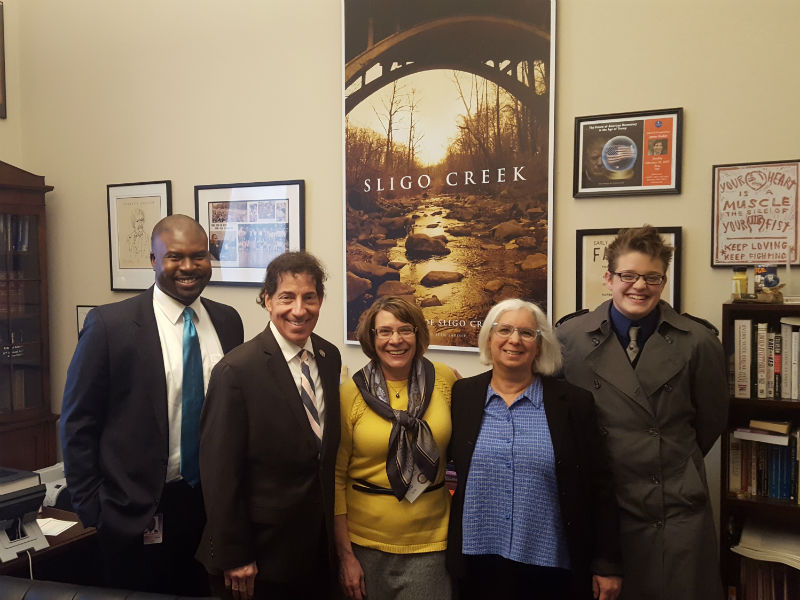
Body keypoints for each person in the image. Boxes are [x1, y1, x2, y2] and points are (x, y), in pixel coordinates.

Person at [61, 214, 244, 595]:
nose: (189, 267)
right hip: (135, 512)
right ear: (153, 260)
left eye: (200, 256)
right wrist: (94, 509)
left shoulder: (228, 322)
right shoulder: (110, 326)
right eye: (175, 257)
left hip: (209, 509)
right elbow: (77, 422)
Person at [556, 225, 728, 600]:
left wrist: (666, 457)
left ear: (663, 281)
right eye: (628, 275)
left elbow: (710, 422)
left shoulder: (698, 342)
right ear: (609, 278)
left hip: (673, 510)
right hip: (602, 508)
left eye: (652, 277)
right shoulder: (569, 338)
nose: (640, 286)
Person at [447, 298, 622, 600]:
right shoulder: (462, 395)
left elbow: (600, 486)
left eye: (527, 333)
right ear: (489, 338)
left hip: (552, 568)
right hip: (477, 561)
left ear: (540, 345)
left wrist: (607, 564)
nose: (514, 340)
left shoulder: (573, 404)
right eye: (504, 330)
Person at [197, 251, 342, 600]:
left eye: (309, 297)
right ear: (266, 300)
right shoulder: (237, 371)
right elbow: (219, 473)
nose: (299, 309)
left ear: (320, 300)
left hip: (315, 551)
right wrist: (236, 555)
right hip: (259, 558)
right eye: (286, 297)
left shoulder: (328, 356)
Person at [335, 296, 458, 600]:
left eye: (405, 330)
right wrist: (346, 557)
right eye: (385, 332)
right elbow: (336, 478)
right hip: (364, 545)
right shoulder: (350, 393)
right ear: (371, 338)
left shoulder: (445, 380)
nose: (396, 340)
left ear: (418, 334)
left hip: (432, 543)